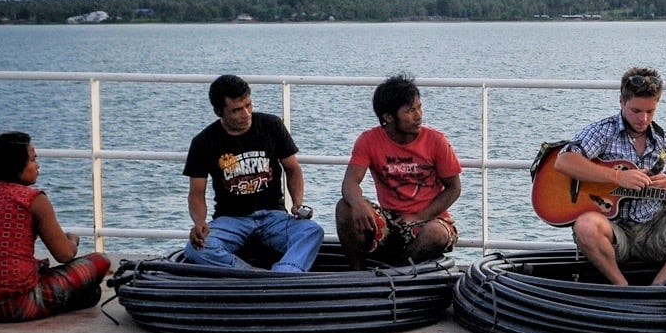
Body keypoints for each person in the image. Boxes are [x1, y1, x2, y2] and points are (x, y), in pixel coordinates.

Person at [554, 66, 666, 286]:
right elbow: (564, 161)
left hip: (654, 227)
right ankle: (622, 287)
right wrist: (616, 177)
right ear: (621, 102)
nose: (643, 118)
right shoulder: (603, 131)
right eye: (636, 110)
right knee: (584, 226)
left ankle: (659, 285)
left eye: (650, 111)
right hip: (613, 228)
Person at [0, 131, 112, 322]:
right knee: (99, 261)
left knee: (39, 267)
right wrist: (72, 240)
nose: (37, 165)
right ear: (15, 164)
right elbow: (64, 255)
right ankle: (70, 300)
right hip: (18, 304)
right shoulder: (32, 200)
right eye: (32, 159)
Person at [182, 74, 323, 271]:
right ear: (218, 111)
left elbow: (292, 169)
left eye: (249, 105)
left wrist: (298, 203)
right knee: (195, 249)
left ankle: (284, 274)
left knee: (312, 231)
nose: (246, 114)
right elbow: (196, 193)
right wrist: (199, 222)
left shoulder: (271, 125)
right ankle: (251, 274)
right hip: (231, 219)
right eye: (236, 110)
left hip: (273, 216)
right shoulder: (203, 141)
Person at [335, 73, 462, 269]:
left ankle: (396, 273)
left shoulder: (436, 141)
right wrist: (358, 204)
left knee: (435, 234)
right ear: (388, 117)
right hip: (390, 219)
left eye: (419, 107)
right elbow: (350, 182)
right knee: (345, 208)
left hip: (428, 219)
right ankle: (357, 274)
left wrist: (421, 216)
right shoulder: (369, 140)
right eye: (410, 111)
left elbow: (453, 188)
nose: (418, 116)